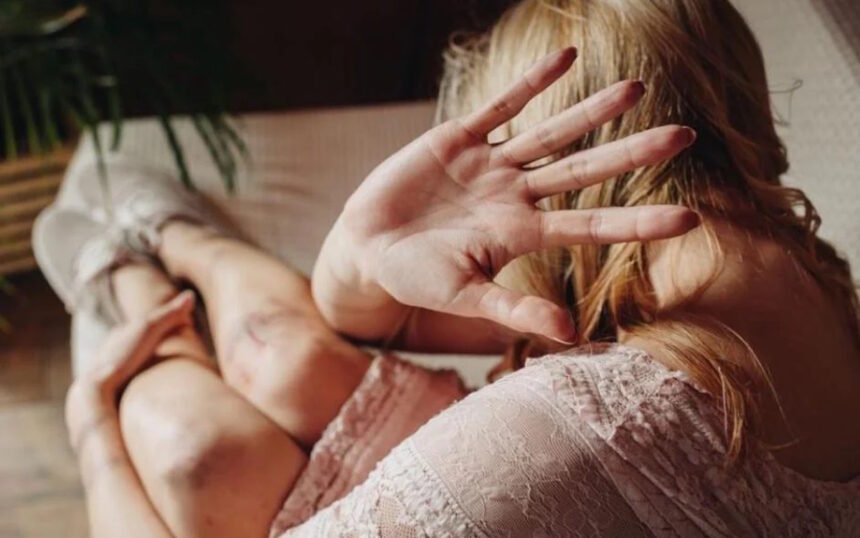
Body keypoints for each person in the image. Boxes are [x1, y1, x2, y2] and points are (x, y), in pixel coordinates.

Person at [39, 0, 860, 536]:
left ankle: (126, 271)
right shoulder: (775, 270)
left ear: (554, 149)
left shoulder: (590, 423)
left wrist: (91, 431)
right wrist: (362, 249)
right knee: (286, 357)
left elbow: (565, 446)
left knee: (197, 451)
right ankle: (175, 236)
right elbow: (360, 314)